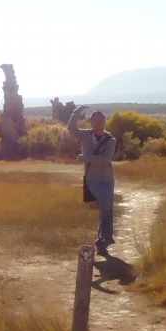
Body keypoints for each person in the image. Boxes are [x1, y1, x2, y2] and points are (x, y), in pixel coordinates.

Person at [67, 107, 115, 255]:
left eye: (101, 120)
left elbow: (105, 159)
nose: (98, 123)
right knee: (105, 201)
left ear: (105, 122)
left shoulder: (111, 140)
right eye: (95, 121)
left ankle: (104, 238)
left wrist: (85, 158)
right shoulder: (84, 135)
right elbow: (71, 127)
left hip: (107, 179)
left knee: (107, 206)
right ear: (91, 122)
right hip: (92, 179)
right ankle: (104, 237)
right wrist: (77, 111)